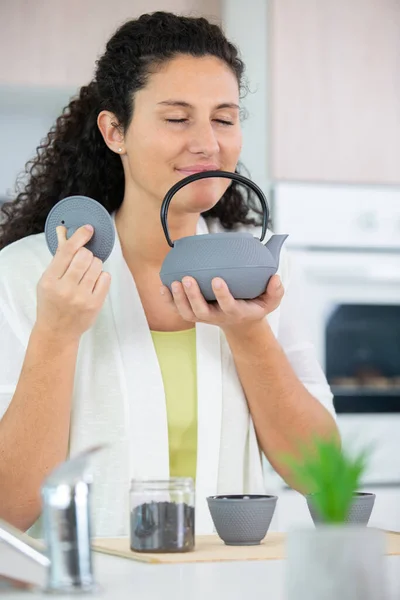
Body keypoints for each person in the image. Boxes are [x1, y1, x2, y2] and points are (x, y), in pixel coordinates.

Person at [0, 11, 338, 538]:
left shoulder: (267, 271)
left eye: (224, 119)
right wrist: (57, 335)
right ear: (116, 131)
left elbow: (323, 476)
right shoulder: (28, 274)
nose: (207, 143)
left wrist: (249, 333)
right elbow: (9, 509)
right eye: (178, 119)